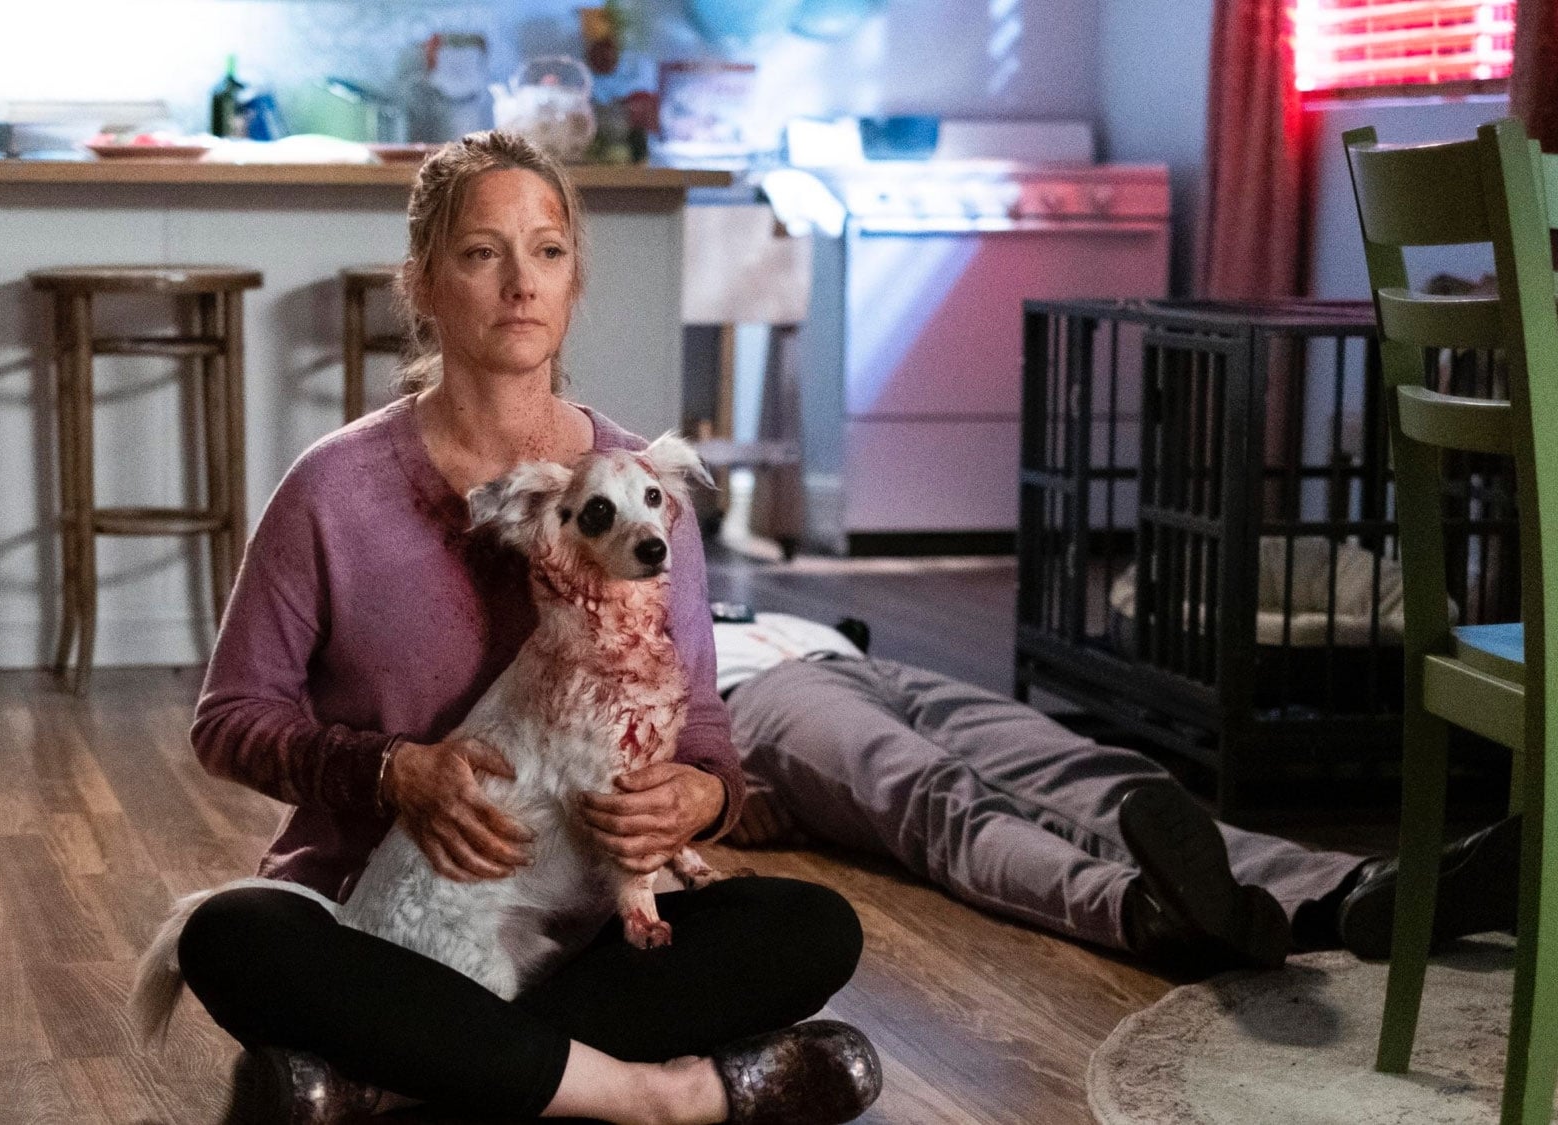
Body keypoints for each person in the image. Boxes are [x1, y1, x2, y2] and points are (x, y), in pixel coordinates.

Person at [173, 132, 879, 1125]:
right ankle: (644, 1093)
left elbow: (704, 729)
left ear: (572, 278)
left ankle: (400, 1084)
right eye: (480, 253)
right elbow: (228, 720)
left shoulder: (638, 489)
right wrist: (390, 772)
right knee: (229, 934)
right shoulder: (332, 486)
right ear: (422, 282)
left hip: (583, 927)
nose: (520, 283)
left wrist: (697, 796)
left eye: (547, 251)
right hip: (372, 926)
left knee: (813, 925)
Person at [713, 611, 1521, 973]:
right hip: (755, 701)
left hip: (871, 666)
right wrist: (717, 786)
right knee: (938, 796)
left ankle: (1346, 889)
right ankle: (1141, 911)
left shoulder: (691, 574)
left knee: (1090, 771)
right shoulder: (639, 622)